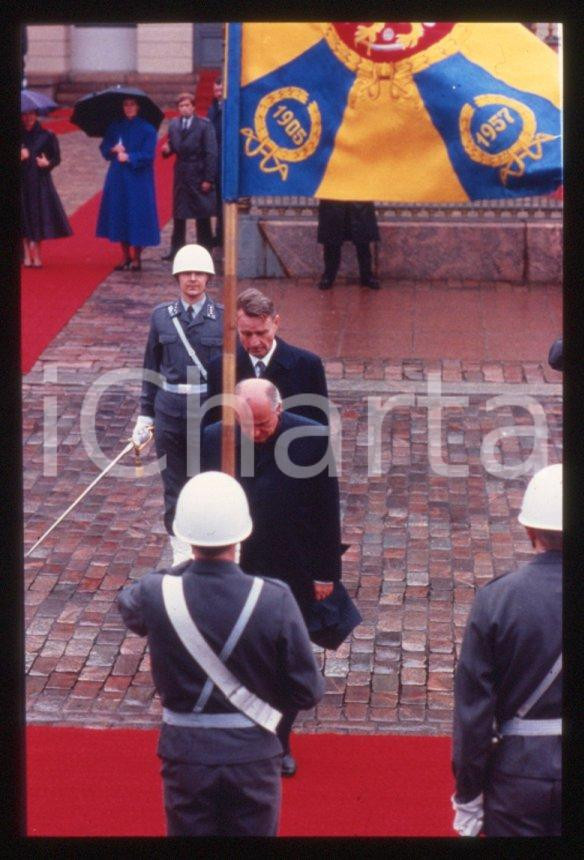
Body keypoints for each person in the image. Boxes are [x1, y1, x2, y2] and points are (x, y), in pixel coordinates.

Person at [117, 471, 324, 836]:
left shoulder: (155, 592)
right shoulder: (274, 598)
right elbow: (306, 691)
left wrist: (184, 565)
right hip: (252, 753)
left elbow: (128, 605)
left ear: (185, 535)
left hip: (185, 752)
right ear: (242, 533)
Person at [201, 378, 342, 776]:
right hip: (232, 567)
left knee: (287, 658)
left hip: (291, 567)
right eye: (248, 425)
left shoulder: (311, 439)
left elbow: (325, 509)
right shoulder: (215, 438)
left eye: (263, 424)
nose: (257, 433)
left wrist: (326, 572)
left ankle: (279, 740)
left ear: (278, 410)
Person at [452, 463, 562, 837]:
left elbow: (474, 713)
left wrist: (468, 794)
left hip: (521, 775)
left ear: (530, 530)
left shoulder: (497, 599)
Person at [132, 244, 223, 565]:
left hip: (208, 413)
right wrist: (145, 415)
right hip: (169, 412)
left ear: (209, 278)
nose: (193, 280)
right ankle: (181, 554)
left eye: (199, 273)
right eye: (187, 273)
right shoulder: (161, 318)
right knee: (174, 484)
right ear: (177, 278)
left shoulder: (222, 320)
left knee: (208, 481)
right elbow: (151, 368)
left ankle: (211, 550)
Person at [205, 287, 329, 427]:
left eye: (261, 333)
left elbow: (320, 430)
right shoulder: (220, 368)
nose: (254, 343)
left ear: (276, 323)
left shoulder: (307, 366)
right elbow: (213, 431)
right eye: (246, 334)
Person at [96, 96, 160, 271]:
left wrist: (130, 157)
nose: (129, 107)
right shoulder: (116, 126)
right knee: (120, 214)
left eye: (132, 104)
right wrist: (112, 149)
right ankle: (125, 255)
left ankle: (137, 256)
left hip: (138, 178)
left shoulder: (148, 129)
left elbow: (148, 155)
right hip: (118, 176)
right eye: (126, 104)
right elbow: (104, 147)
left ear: (138, 107)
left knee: (136, 215)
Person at [161, 91, 217, 260]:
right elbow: (173, 144)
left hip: (198, 171)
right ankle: (176, 249)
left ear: (193, 107)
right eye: (181, 106)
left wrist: (208, 178)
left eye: (187, 105)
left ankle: (205, 248)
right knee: (179, 213)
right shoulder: (174, 124)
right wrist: (167, 150)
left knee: (202, 213)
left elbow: (211, 152)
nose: (184, 109)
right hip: (182, 172)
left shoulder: (204, 125)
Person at [20, 109, 72, 267]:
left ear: (36, 115)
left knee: (38, 215)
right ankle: (26, 254)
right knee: (23, 215)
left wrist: (47, 163)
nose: (28, 118)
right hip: (21, 181)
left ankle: (37, 253)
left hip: (39, 181)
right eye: (25, 114)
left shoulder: (46, 136)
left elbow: (56, 157)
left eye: (31, 114)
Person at [317, 199, 380, 290]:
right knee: (332, 241)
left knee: (363, 241)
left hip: (359, 198)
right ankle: (328, 275)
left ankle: (367, 276)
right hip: (333, 199)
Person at [207, 77, 223, 248]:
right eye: (216, 91)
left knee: (224, 200)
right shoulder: (213, 107)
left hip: (223, 157)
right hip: (214, 156)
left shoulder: (226, 108)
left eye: (220, 91)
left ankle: (222, 234)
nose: (218, 94)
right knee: (217, 200)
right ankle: (219, 233)